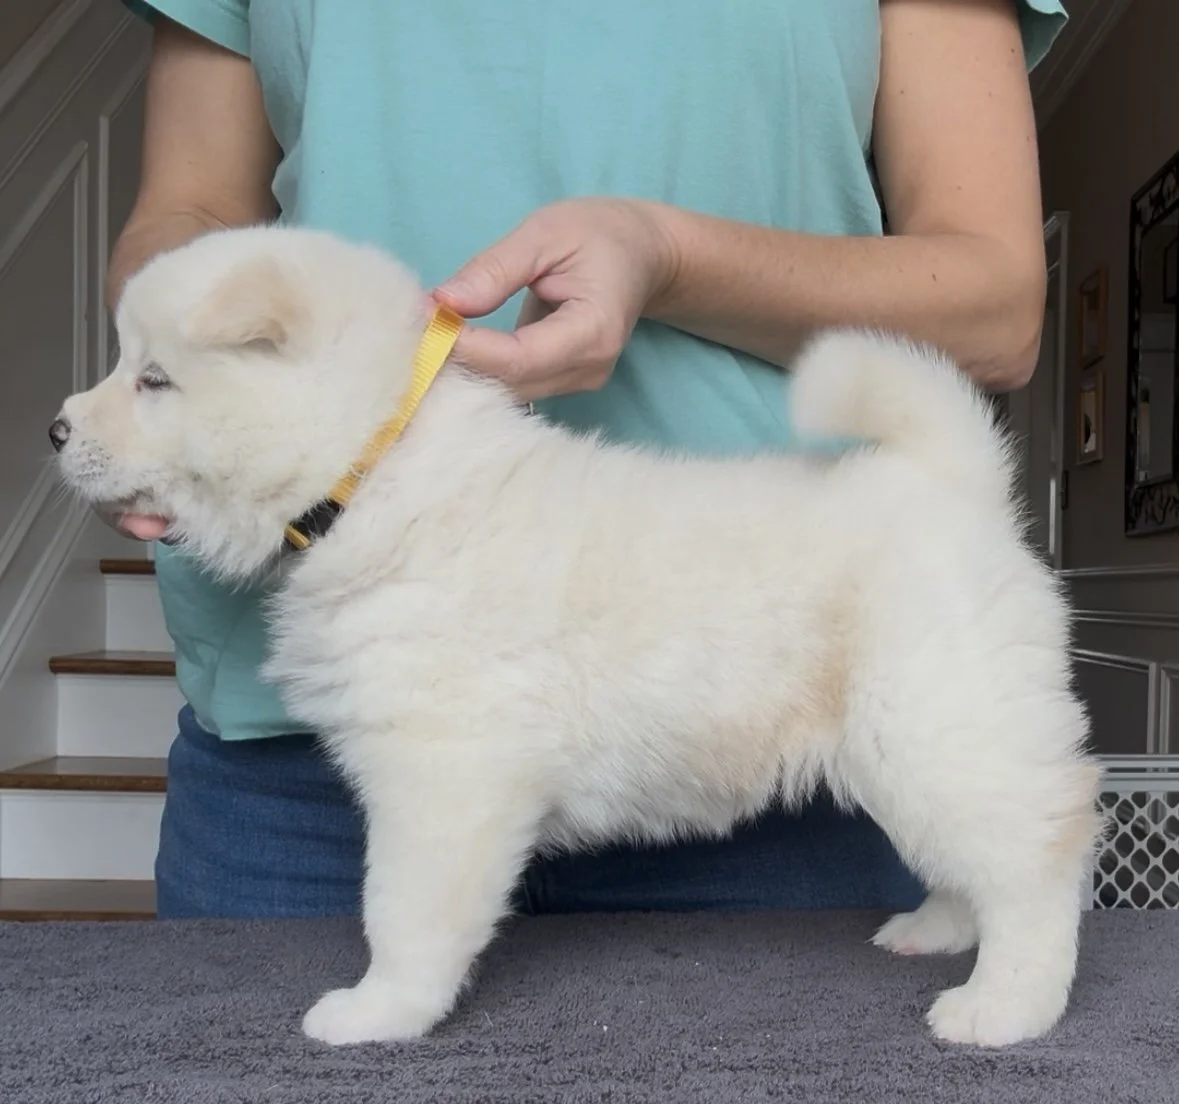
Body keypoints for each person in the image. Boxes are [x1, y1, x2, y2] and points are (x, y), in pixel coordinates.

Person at [112, 0, 1066, 919]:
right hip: (310, 756)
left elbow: (997, 307)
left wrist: (673, 257)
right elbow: (188, 208)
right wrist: (159, 391)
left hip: (756, 714)